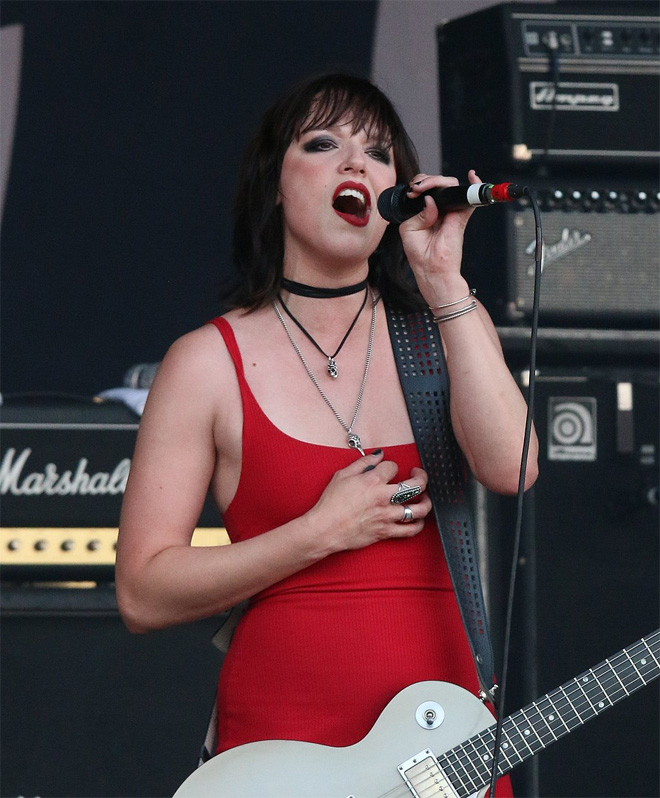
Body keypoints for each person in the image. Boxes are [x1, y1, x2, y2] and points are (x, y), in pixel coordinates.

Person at [115, 73, 538, 792]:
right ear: (276, 186)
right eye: (322, 144)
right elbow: (143, 593)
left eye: (377, 153)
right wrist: (318, 532)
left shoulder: (445, 329)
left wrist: (443, 282)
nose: (355, 165)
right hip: (283, 748)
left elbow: (513, 468)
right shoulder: (206, 361)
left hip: (445, 742)